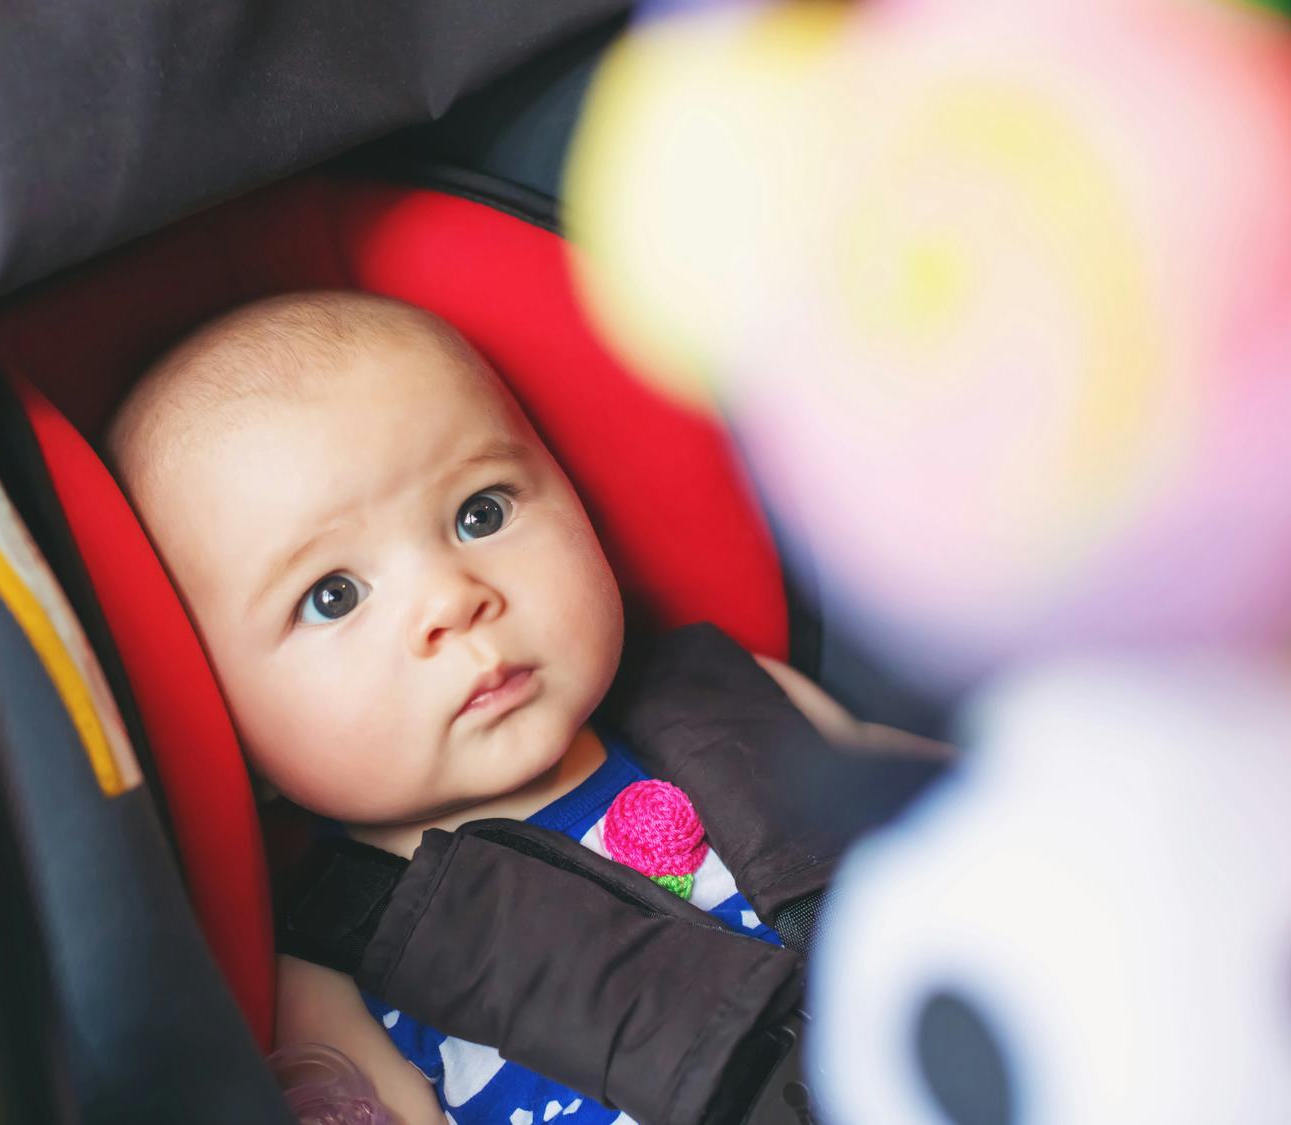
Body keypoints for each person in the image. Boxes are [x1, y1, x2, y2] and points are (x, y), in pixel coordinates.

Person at [105, 291, 940, 1125]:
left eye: (482, 512)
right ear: (225, 726)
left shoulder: (729, 698)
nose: (452, 598)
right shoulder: (334, 961)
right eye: (332, 595)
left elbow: (976, 817)